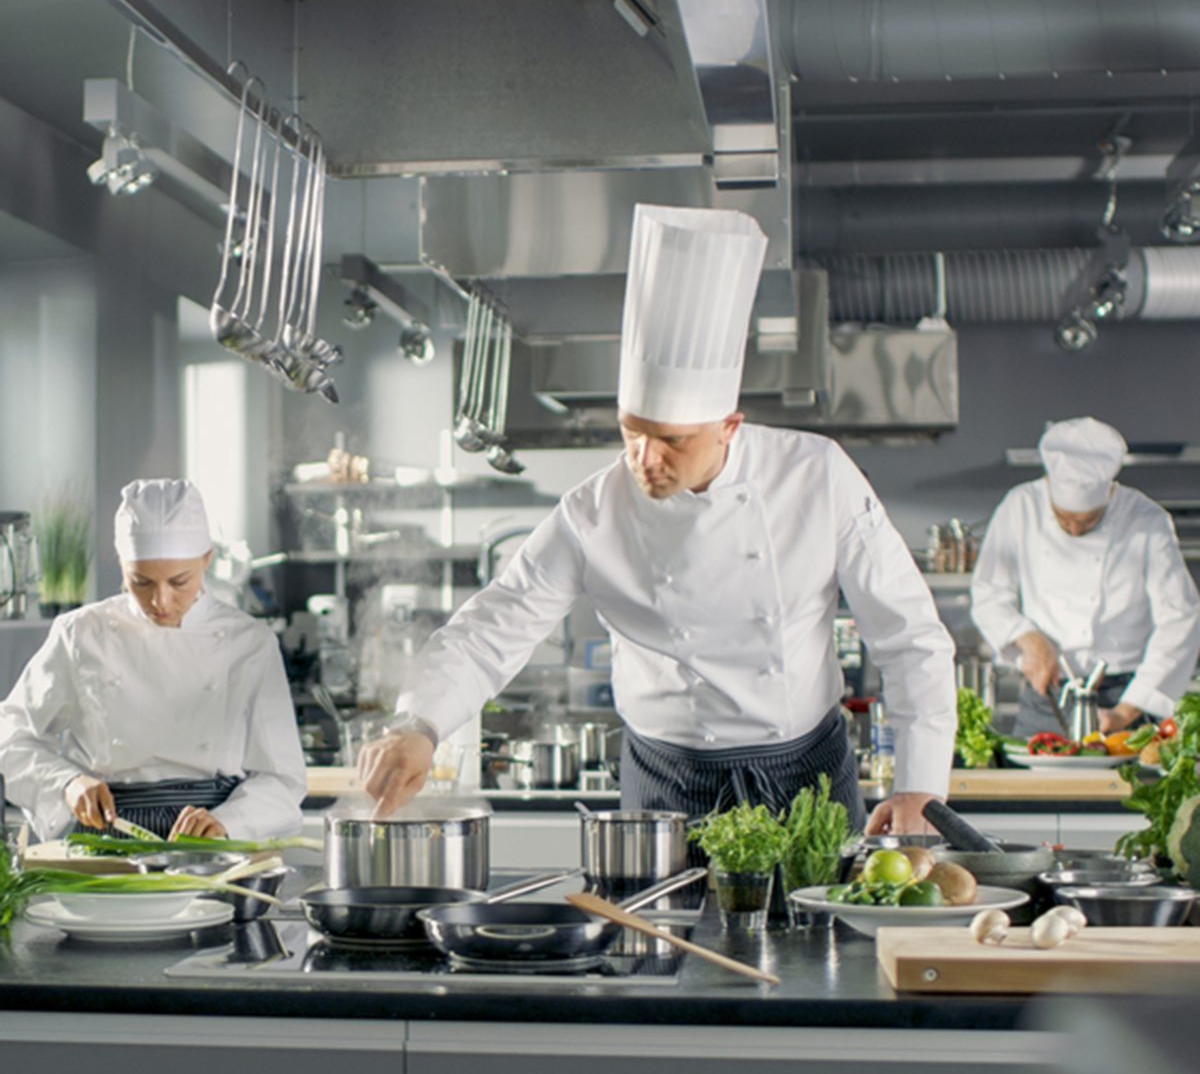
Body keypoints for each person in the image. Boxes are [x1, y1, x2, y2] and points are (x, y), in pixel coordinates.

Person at [359, 203, 956, 834]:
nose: (645, 459)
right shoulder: (593, 511)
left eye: (672, 440)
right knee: (654, 935)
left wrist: (922, 786)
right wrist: (417, 724)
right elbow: (491, 628)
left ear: (729, 426)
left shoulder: (817, 474)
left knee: (819, 931)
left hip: (803, 774)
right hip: (665, 782)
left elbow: (908, 634)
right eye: (631, 433)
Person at [0, 479, 306, 842]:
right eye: (141, 582)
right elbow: (10, 735)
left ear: (206, 558)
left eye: (179, 582)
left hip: (209, 841)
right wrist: (65, 782)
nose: (160, 601)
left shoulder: (250, 642)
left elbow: (282, 777)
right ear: (121, 563)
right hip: (106, 834)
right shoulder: (80, 633)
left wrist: (231, 822)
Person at [970, 416, 1200, 738]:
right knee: (1033, 789)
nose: (1075, 529)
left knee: (1126, 789)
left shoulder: (1147, 520)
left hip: (1123, 698)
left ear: (1110, 492)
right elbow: (988, 594)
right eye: (1064, 519)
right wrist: (1029, 638)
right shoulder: (1020, 506)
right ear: (1048, 487)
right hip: (1045, 695)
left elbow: (1181, 617)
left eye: (1089, 520)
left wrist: (1126, 711)